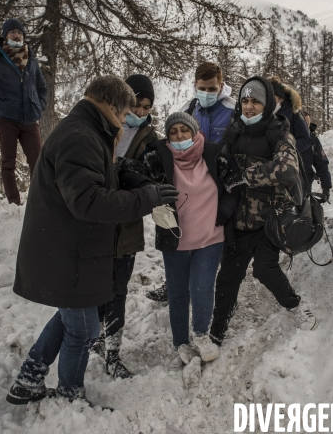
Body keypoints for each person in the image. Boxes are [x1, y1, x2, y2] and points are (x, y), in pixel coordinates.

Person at [5, 76, 179, 405]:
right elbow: (89, 201)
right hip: (68, 251)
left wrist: (138, 182)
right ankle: (70, 395)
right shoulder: (79, 135)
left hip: (74, 248)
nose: (129, 117)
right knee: (84, 328)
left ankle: (29, 378)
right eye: (127, 110)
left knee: (74, 317)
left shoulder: (87, 130)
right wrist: (146, 198)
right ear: (111, 105)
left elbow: (102, 177)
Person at [120, 112, 240, 366]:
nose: (179, 136)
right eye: (173, 132)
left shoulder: (214, 154)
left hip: (210, 236)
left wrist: (225, 210)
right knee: (177, 293)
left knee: (202, 287)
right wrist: (148, 187)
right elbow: (131, 172)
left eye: (184, 131)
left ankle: (201, 334)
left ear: (195, 131)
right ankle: (180, 341)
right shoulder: (157, 158)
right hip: (174, 238)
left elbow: (234, 185)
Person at [210, 76, 318, 346]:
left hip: (269, 219)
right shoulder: (234, 130)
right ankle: (217, 329)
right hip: (238, 221)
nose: (249, 107)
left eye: (255, 101)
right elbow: (220, 162)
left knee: (264, 269)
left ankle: (294, 306)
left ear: (267, 104)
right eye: (245, 101)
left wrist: (247, 176)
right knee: (227, 278)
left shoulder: (278, 130)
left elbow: (288, 169)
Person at [147, 61, 236, 302]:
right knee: (184, 232)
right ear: (195, 85)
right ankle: (174, 283)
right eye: (202, 88)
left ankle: (222, 292)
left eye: (212, 88)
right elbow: (175, 140)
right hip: (191, 183)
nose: (207, 93)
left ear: (221, 85)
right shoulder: (189, 108)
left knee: (220, 239)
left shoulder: (233, 109)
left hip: (222, 182)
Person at [89, 74, 159, 379]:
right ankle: (95, 336)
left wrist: (129, 171)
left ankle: (113, 351)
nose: (141, 112)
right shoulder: (102, 126)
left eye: (146, 107)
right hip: (95, 219)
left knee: (117, 289)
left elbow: (153, 175)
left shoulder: (150, 139)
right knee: (95, 286)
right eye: (136, 105)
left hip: (127, 223)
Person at [0, 18, 48, 205]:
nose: (17, 35)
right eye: (13, 32)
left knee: (38, 163)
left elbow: (42, 89)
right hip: (7, 119)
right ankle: (14, 203)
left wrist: (39, 106)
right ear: (5, 36)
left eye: (20, 32)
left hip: (30, 121)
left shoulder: (31, 60)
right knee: (8, 164)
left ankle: (38, 202)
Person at [269, 76, 313, 183]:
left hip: (289, 166)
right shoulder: (263, 114)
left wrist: (288, 150)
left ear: (281, 99)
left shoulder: (294, 114)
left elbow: (306, 139)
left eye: (272, 97)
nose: (269, 100)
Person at [303, 112, 332, 202]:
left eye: (308, 123)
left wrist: (326, 188)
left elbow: (322, 164)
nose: (306, 126)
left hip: (305, 185)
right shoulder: (287, 138)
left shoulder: (313, 141)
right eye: (304, 123)